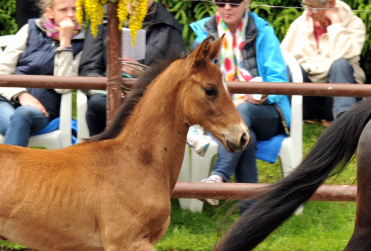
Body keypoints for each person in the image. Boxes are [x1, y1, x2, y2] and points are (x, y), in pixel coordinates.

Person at [191, 0, 290, 212]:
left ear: (247, 3)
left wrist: (263, 92)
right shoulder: (203, 34)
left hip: (267, 110)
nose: (227, 7)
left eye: (234, 2)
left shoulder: (263, 31)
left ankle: (218, 178)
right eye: (221, 2)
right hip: (220, 112)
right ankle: (250, 213)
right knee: (247, 136)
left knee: (243, 112)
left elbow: (278, 80)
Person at [0, 0, 84, 147]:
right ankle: (11, 168)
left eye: (75, 9)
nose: (71, 14)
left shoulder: (82, 43)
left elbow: (63, 86)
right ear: (49, 13)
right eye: (63, 10)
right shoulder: (30, 29)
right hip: (3, 99)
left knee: (22, 116)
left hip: (41, 110)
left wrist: (65, 43)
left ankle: (5, 168)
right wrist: (21, 94)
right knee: (16, 124)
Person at [78, 0, 184, 136]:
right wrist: (112, 84)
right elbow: (88, 69)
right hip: (106, 96)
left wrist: (142, 73)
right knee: (98, 103)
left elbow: (176, 77)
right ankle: (100, 152)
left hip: (148, 100)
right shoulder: (102, 19)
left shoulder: (169, 26)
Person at [281, 0, 366, 124]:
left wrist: (336, 24)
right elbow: (284, 57)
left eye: (313, 8)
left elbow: (344, 55)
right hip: (308, 97)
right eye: (306, 6)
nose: (308, 12)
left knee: (340, 64)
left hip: (338, 94)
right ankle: (295, 115)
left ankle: (345, 120)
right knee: (293, 69)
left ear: (330, 4)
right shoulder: (300, 23)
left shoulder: (354, 24)